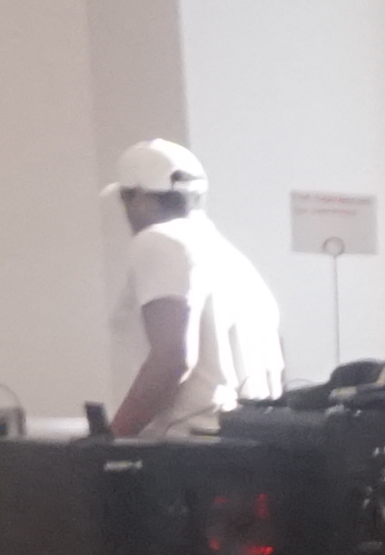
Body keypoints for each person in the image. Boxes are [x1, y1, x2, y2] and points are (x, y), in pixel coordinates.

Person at [100, 138, 279, 439]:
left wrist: (112, 440)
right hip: (246, 443)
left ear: (140, 198)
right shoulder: (234, 261)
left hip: (184, 444)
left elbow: (172, 357)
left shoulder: (159, 241)